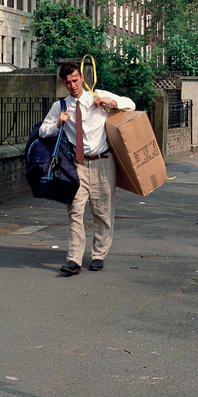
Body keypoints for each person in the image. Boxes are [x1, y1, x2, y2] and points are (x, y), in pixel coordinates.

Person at [39, 60, 135, 275]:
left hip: (103, 161)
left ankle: (98, 255)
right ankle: (74, 259)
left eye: (75, 80)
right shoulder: (60, 106)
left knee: (103, 211)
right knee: (75, 211)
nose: (72, 86)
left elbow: (131, 104)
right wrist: (58, 123)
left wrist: (110, 101)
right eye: (67, 83)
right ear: (64, 84)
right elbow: (43, 131)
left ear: (82, 78)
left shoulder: (96, 96)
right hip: (76, 165)